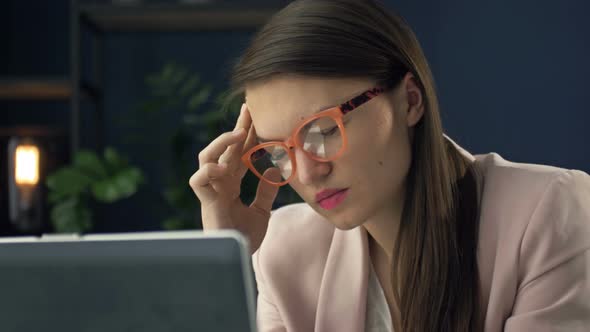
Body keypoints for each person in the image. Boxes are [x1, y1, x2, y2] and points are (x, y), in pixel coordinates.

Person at [189, 0, 590, 331]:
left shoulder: (549, 212)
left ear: (410, 100)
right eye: (278, 151)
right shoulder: (285, 249)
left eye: (324, 131)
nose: (307, 174)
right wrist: (223, 266)